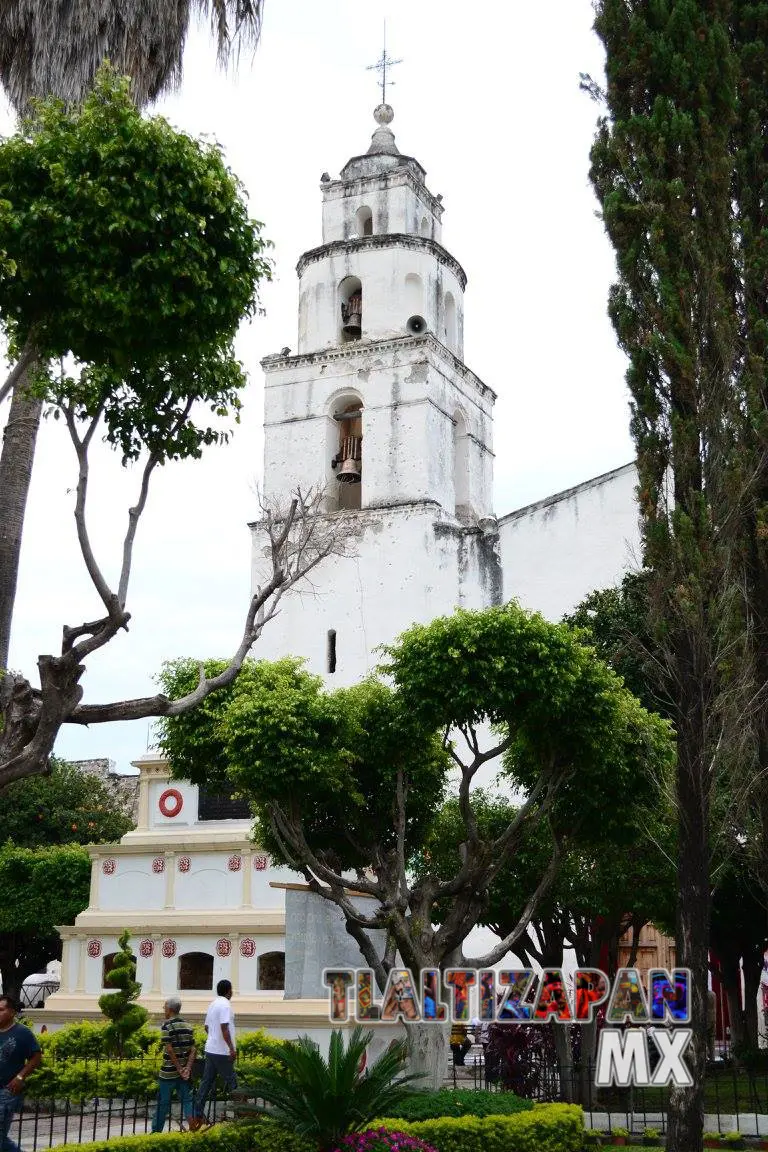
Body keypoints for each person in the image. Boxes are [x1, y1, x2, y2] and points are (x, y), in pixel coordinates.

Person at [189, 980, 236, 1130]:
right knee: (232, 1082)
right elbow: (224, 1027)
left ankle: (197, 1114)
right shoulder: (225, 1005)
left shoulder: (213, 1004)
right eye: (232, 990)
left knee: (206, 1082)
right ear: (228, 990)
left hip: (211, 1049)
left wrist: (213, 1039)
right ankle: (242, 1113)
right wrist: (231, 1048)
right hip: (222, 1052)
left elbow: (206, 1027)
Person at [0, 995, 42, 1152]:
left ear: (11, 1012)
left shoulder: (22, 1033)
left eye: (1, 1010)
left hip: (7, 1090)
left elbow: (36, 1057)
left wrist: (20, 1077)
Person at [151, 996, 196, 1133]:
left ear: (170, 1009)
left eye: (164, 1007)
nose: (164, 1010)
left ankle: (156, 1131)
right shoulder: (188, 1027)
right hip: (183, 1075)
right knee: (187, 1101)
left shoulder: (166, 1026)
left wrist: (179, 1068)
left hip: (168, 1073)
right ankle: (193, 1126)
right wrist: (186, 1069)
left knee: (163, 1103)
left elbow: (169, 1049)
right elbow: (193, 1049)